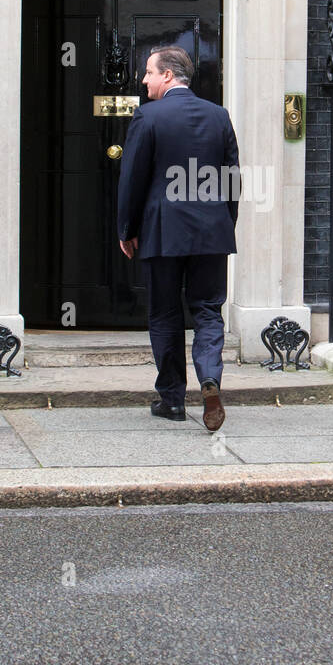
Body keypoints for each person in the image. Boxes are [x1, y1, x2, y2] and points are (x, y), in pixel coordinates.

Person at [117, 45, 239, 432]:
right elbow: (232, 177)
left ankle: (171, 400)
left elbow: (133, 178)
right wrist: (224, 222)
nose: (144, 80)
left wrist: (127, 229)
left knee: (166, 314)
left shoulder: (148, 116)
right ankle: (209, 379)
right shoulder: (218, 115)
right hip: (211, 232)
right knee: (207, 310)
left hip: (163, 232)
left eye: (149, 73)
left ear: (168, 75)